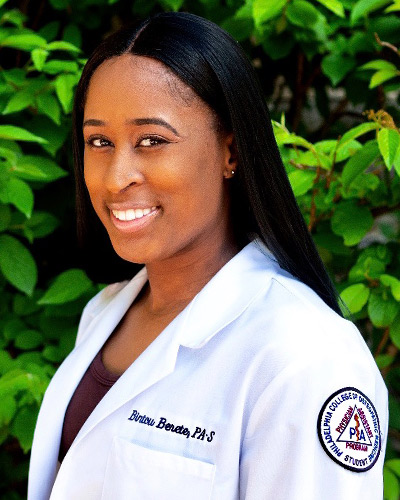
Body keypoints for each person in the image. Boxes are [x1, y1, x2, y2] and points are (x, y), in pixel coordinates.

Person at [28, 11, 388, 500]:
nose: (116, 178)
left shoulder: (305, 357)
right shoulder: (106, 312)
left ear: (231, 152)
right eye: (99, 142)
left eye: (152, 140)